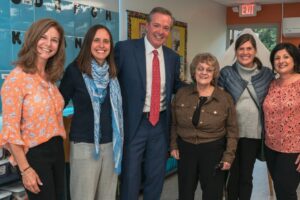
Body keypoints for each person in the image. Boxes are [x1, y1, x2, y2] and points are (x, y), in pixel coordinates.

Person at [115, 7, 182, 200]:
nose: (161, 31)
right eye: (157, 25)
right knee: (130, 176)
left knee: (156, 176)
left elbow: (177, 85)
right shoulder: (125, 49)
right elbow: (110, 79)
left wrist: (203, 86)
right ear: (146, 26)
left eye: (166, 28)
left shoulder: (172, 57)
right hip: (134, 123)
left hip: (160, 124)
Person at [0, 18, 66, 200]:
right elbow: (10, 132)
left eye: (54, 40)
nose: (48, 44)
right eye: (43, 37)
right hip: (36, 156)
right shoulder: (16, 79)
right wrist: (26, 170)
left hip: (57, 150)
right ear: (33, 39)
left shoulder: (49, 78)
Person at [59, 24, 123, 200]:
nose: (101, 45)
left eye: (106, 41)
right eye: (97, 40)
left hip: (111, 145)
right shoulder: (74, 71)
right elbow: (58, 105)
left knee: (107, 197)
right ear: (88, 43)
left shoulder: (113, 74)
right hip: (84, 146)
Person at [170, 53, 238, 200]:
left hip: (213, 151)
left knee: (213, 194)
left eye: (209, 69)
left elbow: (232, 130)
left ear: (214, 73)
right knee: (185, 193)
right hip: (186, 150)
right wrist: (173, 145)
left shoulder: (224, 98)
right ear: (194, 71)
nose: (204, 73)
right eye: (200, 68)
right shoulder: (181, 94)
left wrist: (228, 156)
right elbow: (174, 123)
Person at [218, 33, 274, 200]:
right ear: (236, 51)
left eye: (249, 48)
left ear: (255, 51)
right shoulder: (227, 73)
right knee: (232, 175)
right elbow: (218, 101)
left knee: (246, 176)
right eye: (241, 48)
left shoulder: (266, 74)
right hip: (230, 134)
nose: (245, 52)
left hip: (253, 134)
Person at [263, 42, 300, 200]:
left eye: (286, 56)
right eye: (276, 58)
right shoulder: (272, 84)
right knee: (280, 190)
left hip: (293, 150)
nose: (281, 61)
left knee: (286, 192)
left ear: (295, 60)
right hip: (271, 147)